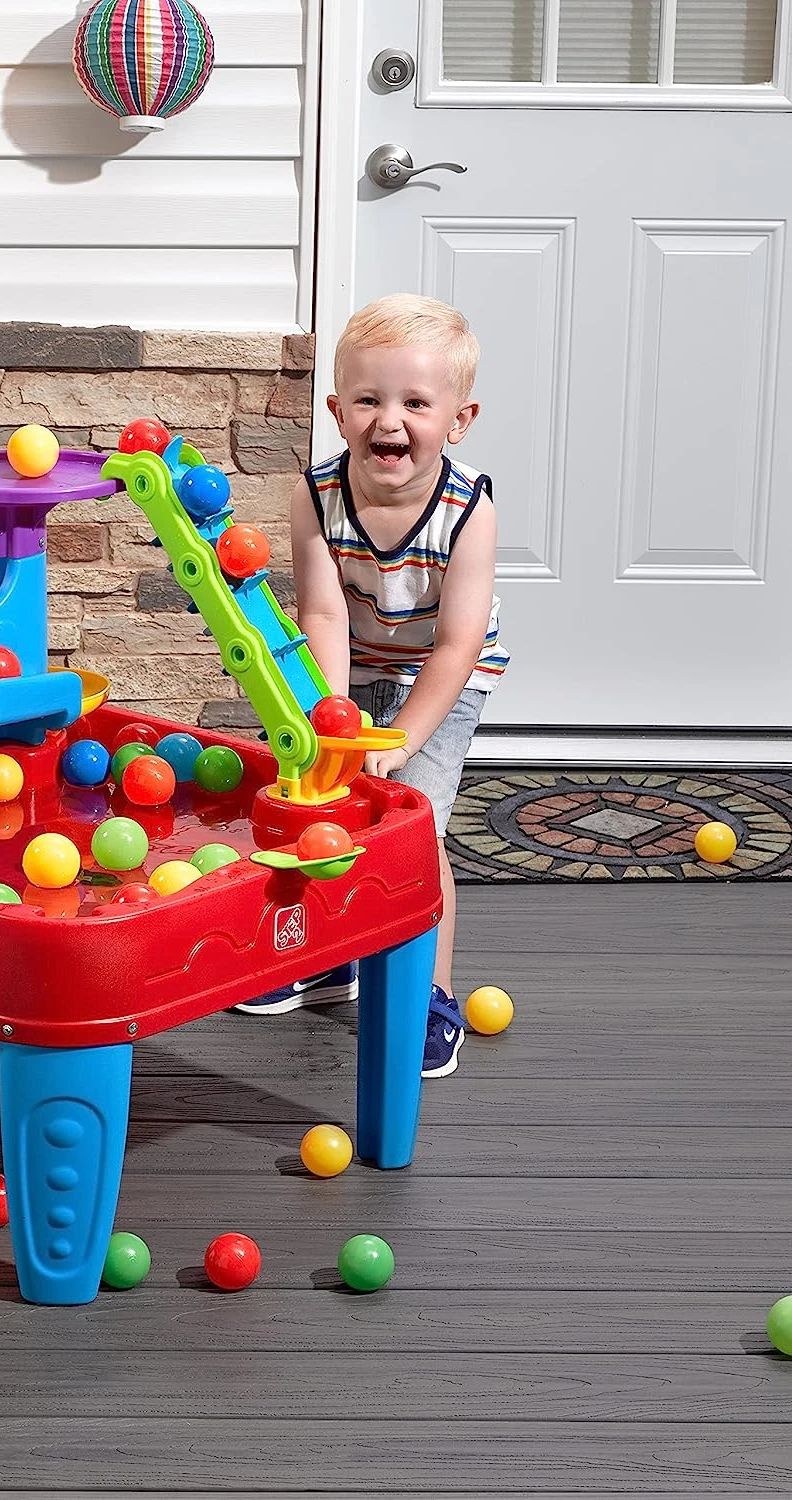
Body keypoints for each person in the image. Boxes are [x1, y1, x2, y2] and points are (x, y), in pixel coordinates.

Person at [235, 294, 508, 1079]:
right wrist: (335, 724)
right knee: (322, 801)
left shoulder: (468, 510)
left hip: (440, 672)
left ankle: (429, 993)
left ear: (458, 420)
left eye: (416, 403)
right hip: (353, 661)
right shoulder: (316, 496)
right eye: (368, 400)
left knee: (414, 825)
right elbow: (323, 613)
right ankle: (331, 960)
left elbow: (457, 646)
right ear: (338, 412)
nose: (390, 421)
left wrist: (403, 740)